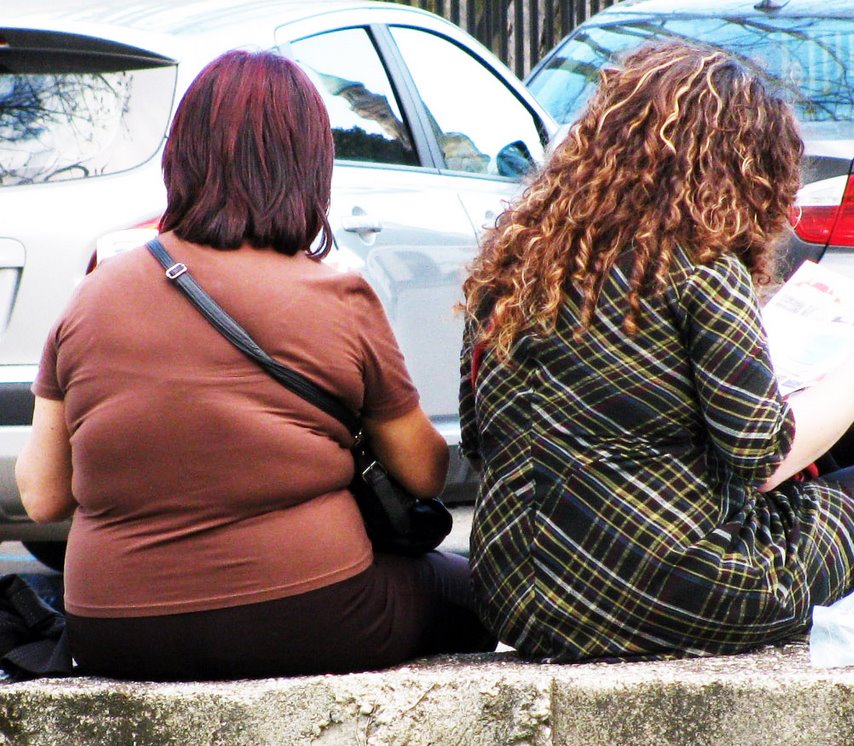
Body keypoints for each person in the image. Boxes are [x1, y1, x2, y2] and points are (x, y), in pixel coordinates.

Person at [14, 50, 494, 680]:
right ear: (309, 167)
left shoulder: (92, 295)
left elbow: (44, 495)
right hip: (316, 611)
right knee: (483, 597)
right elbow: (426, 473)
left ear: (180, 157)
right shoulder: (338, 296)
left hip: (114, 630)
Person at [458, 41, 854, 662]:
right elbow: (760, 458)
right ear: (746, 171)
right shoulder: (702, 265)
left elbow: (476, 439)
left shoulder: (515, 264)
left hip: (518, 595)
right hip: (673, 586)